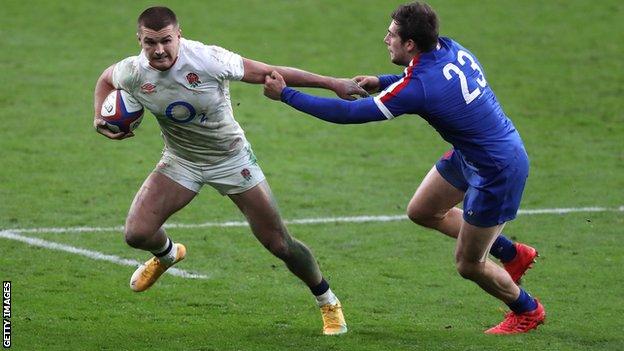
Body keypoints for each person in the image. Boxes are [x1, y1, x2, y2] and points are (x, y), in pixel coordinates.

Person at [264, 1, 545, 334]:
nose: (386, 39)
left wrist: (287, 95)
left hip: (497, 169)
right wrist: (382, 80)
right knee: (423, 210)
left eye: (392, 34)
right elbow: (421, 80)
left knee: (468, 264)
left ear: (410, 44)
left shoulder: (419, 88)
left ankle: (527, 310)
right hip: (474, 151)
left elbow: (350, 114)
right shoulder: (448, 46)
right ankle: (512, 254)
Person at [93, 6, 368, 336]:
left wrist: (332, 82)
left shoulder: (208, 60)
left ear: (179, 35)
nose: (159, 50)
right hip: (181, 161)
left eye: (166, 40)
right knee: (136, 233)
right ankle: (167, 255)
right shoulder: (133, 72)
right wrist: (100, 116)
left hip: (232, 160)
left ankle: (328, 301)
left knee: (280, 244)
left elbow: (270, 72)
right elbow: (106, 79)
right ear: (139, 40)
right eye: (150, 43)